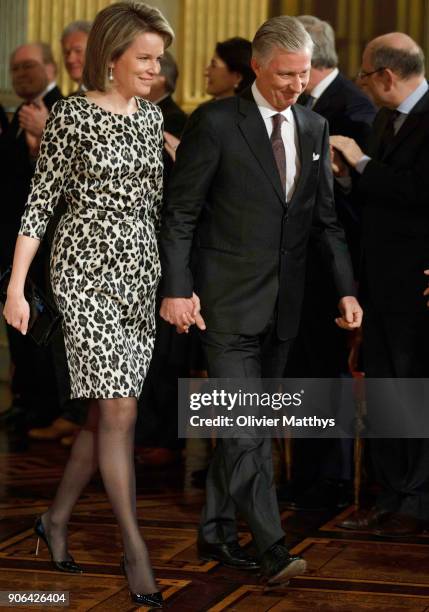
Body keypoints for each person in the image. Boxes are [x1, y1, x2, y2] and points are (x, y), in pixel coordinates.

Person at [160, 15, 362, 586]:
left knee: (245, 424)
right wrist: (177, 288)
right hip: (224, 306)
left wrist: (346, 289)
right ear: (256, 66)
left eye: (303, 75)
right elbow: (181, 214)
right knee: (247, 427)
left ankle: (217, 531)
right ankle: (273, 547)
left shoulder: (315, 128)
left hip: (286, 308)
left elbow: (326, 223)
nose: (295, 85)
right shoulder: (217, 122)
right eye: (284, 75)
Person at [3, 2, 173, 607]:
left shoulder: (151, 120)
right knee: (121, 412)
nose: (156, 68)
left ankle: (53, 520)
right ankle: (135, 549)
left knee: (104, 416)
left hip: (138, 278)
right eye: (145, 58)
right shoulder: (72, 116)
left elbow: (155, 208)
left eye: (159, 58)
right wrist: (16, 287)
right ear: (112, 58)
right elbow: (40, 202)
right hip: (84, 276)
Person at [330, 33, 429, 537]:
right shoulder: (391, 118)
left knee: (411, 391)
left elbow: (418, 192)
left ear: (387, 76)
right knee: (389, 391)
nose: (362, 83)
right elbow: (384, 198)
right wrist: (352, 178)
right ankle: (392, 498)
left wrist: (362, 162)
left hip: (419, 288)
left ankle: (414, 500)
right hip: (384, 284)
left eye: (365, 74)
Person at [280, 15, 377, 512]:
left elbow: (368, 201)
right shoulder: (314, 104)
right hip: (304, 268)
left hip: (341, 268)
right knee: (304, 372)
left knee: (328, 372)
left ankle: (334, 477)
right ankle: (309, 473)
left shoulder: (353, 107)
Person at [27, 20, 92, 446]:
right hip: (60, 241)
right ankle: (78, 414)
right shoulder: (70, 104)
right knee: (63, 335)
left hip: (106, 252)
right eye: (66, 51)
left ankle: (87, 418)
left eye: (78, 50)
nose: (71, 58)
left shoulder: (123, 107)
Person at [0, 43, 62, 430]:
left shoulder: (63, 107)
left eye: (29, 66)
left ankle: (47, 405)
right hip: (11, 240)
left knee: (43, 328)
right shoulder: (15, 117)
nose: (21, 74)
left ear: (50, 67)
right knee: (19, 327)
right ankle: (26, 400)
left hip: (47, 243)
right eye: (15, 68)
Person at [136, 50, 188, 467]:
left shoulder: (175, 121)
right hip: (139, 250)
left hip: (166, 248)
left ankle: (164, 439)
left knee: (165, 351)